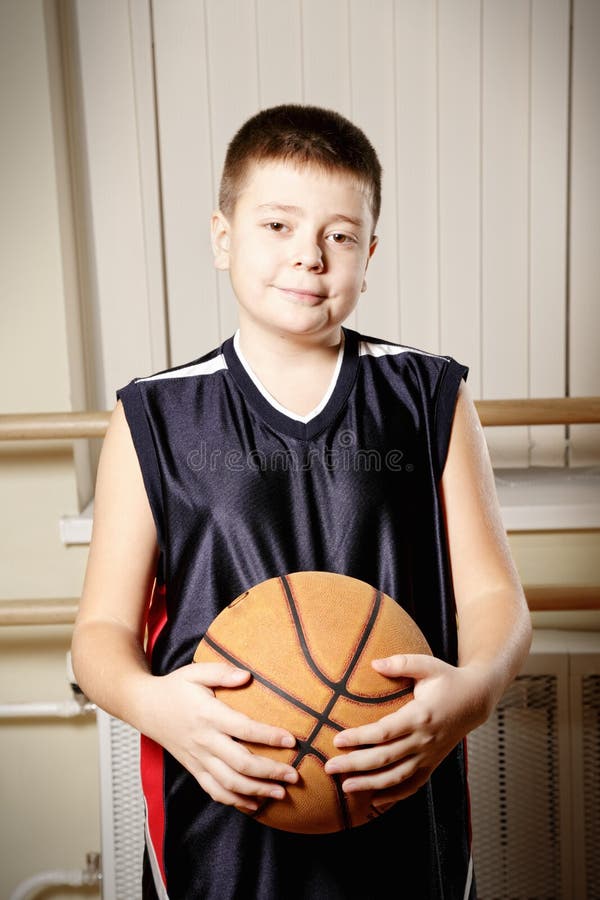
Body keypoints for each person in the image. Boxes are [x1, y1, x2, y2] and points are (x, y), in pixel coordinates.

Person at [71, 104, 532, 900]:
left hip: (395, 790)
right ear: (223, 237)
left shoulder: (430, 396)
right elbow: (100, 634)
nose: (309, 257)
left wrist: (474, 690)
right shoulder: (153, 414)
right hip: (220, 807)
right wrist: (156, 706)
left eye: (340, 236)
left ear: (369, 255)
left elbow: (497, 598)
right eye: (278, 225)